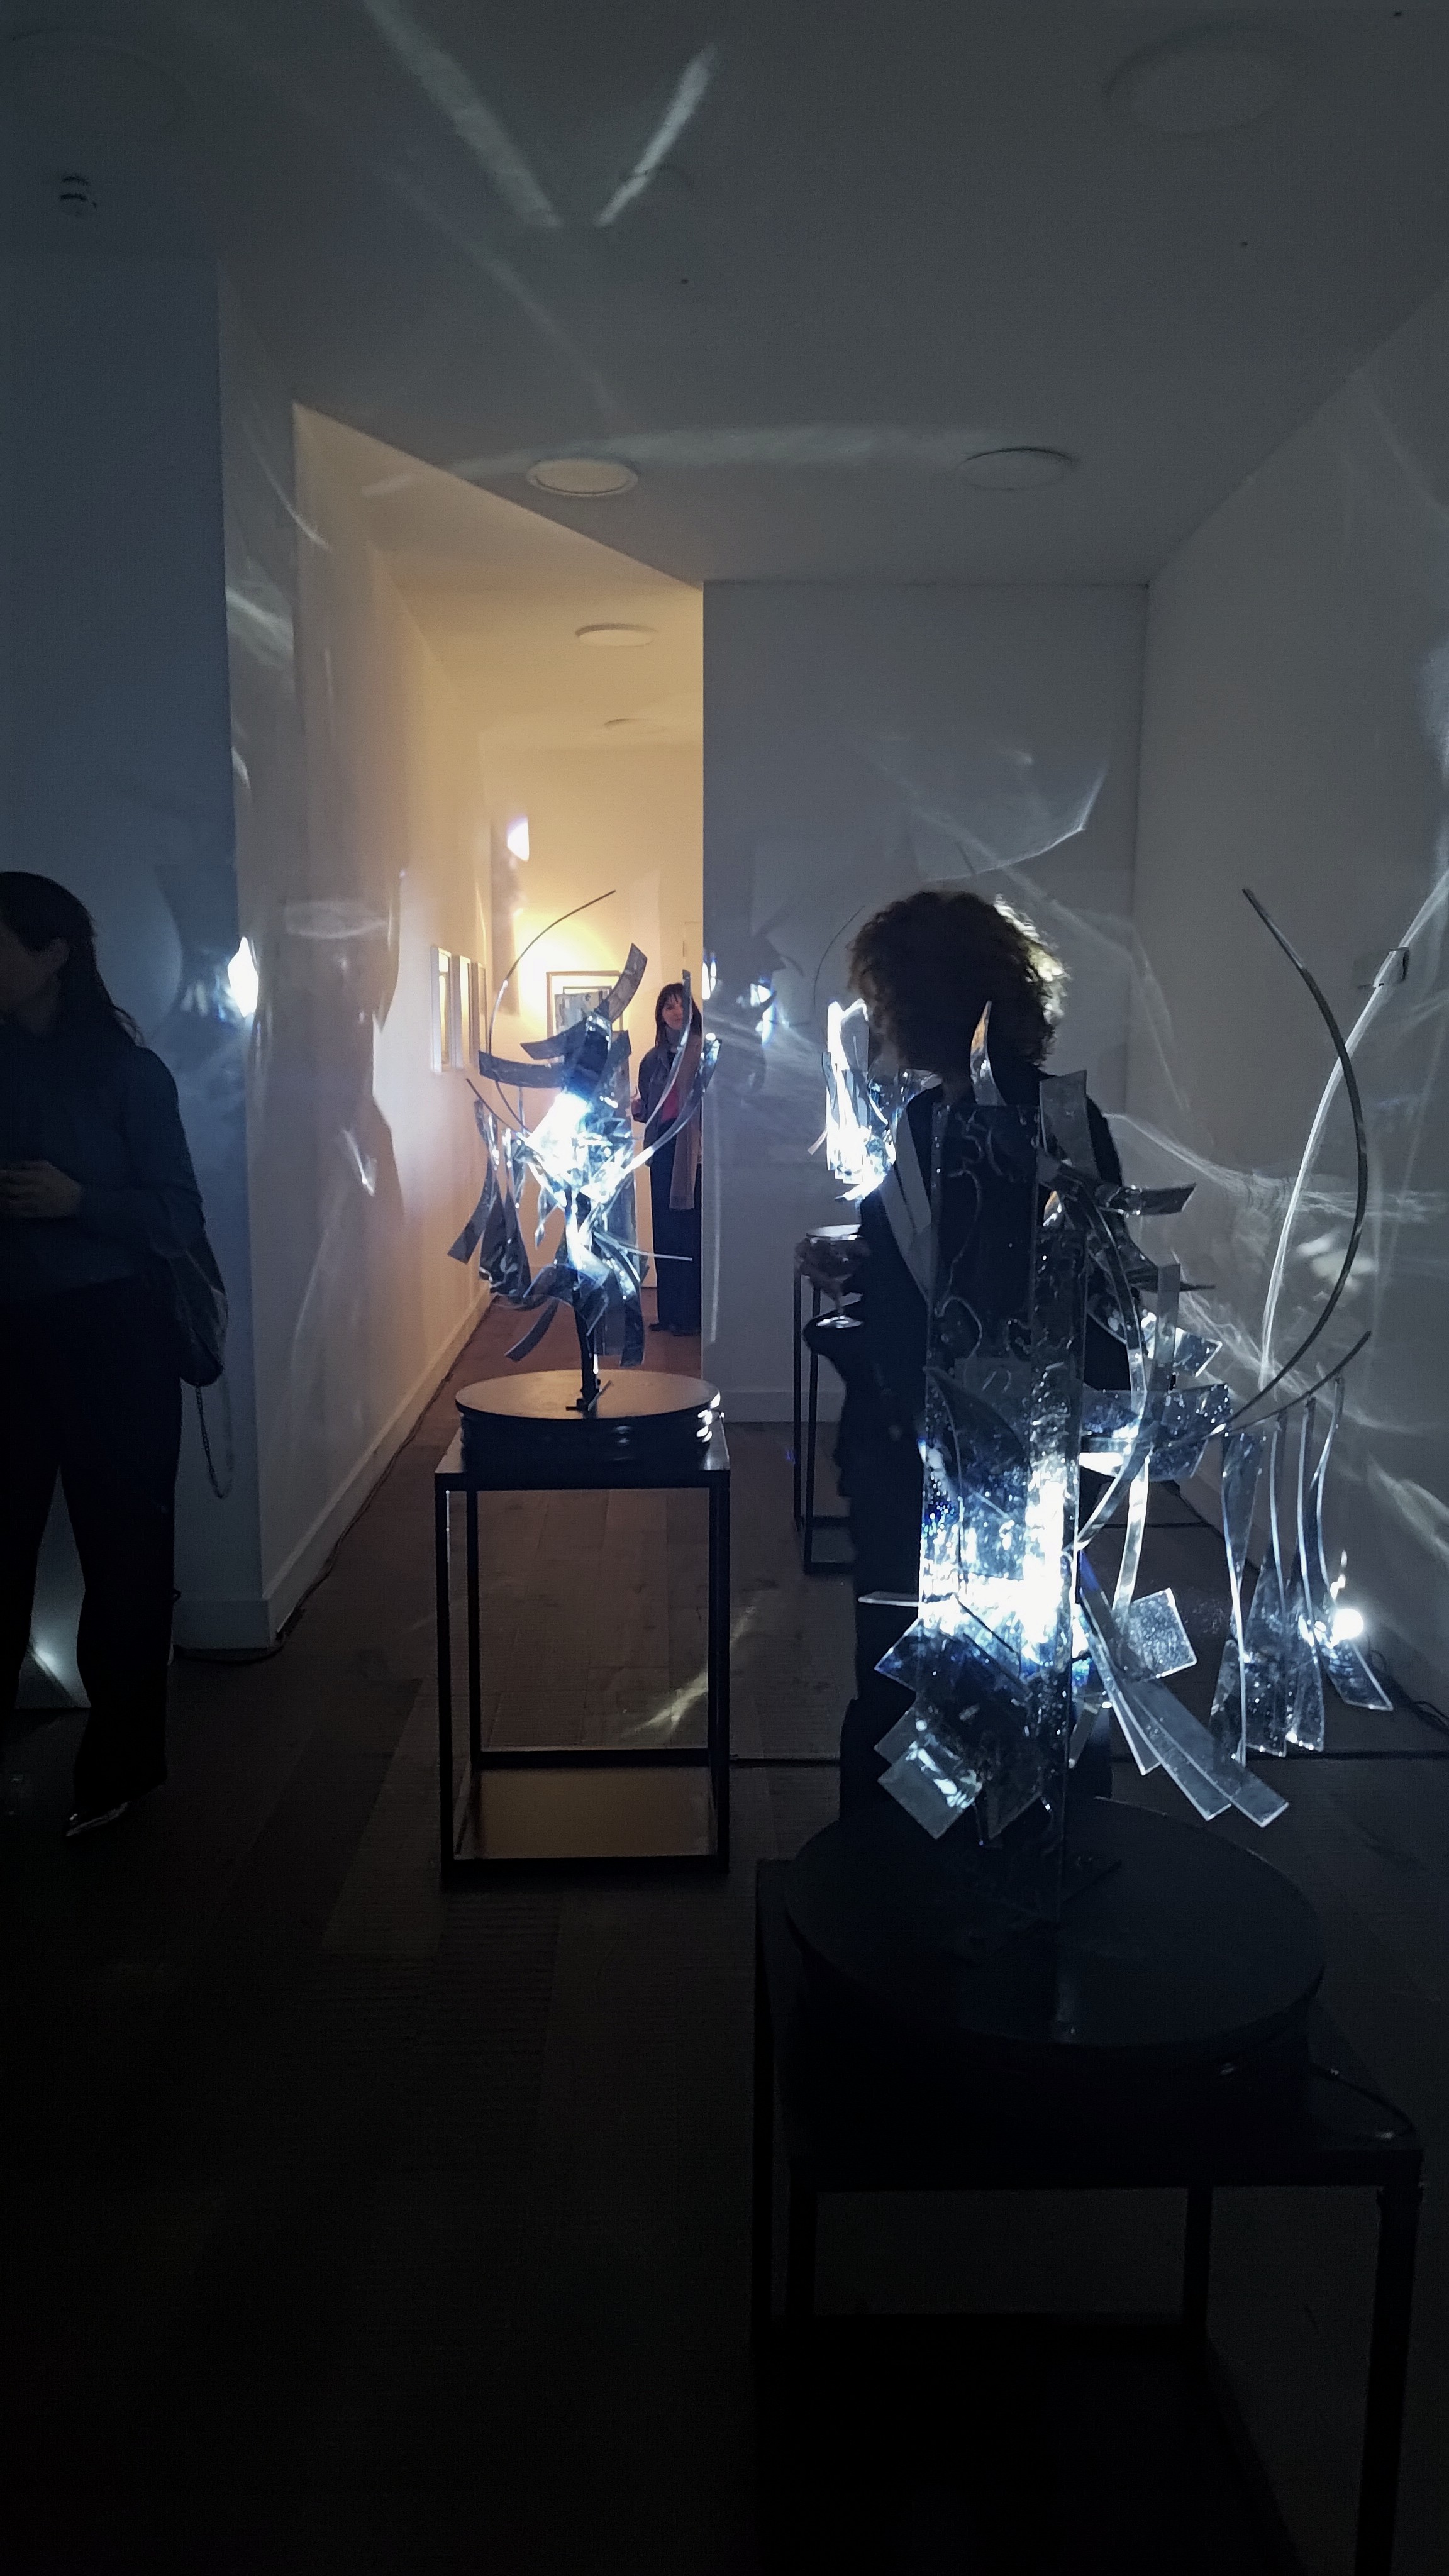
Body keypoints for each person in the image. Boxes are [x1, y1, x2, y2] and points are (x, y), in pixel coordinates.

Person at [799, 888, 1126, 1816]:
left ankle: (913, 1859)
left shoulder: (945, 1124)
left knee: (912, 1669)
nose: (880, 1024)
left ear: (924, 1000)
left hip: (934, 1464)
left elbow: (970, 1304)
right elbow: (1059, 1291)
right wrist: (867, 1262)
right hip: (1032, 1465)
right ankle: (1029, 1838)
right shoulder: (1064, 1115)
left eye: (886, 999)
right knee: (1029, 1666)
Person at [0, 872, 204, 1835]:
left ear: (52, 956)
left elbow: (178, 1215)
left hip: (115, 1336)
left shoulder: (129, 1075)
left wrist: (79, 1202)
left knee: (125, 1555)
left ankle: (118, 1772)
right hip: (11, 1336)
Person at [632, 982, 703, 1336]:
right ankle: (670, 1313)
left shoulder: (704, 1052)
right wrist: (637, 1109)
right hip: (662, 1148)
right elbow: (649, 1110)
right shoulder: (652, 1059)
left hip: (695, 1153)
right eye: (669, 1007)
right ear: (660, 1015)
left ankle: (691, 1316)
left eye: (682, 1005)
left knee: (691, 1233)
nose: (676, 1012)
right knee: (665, 1233)